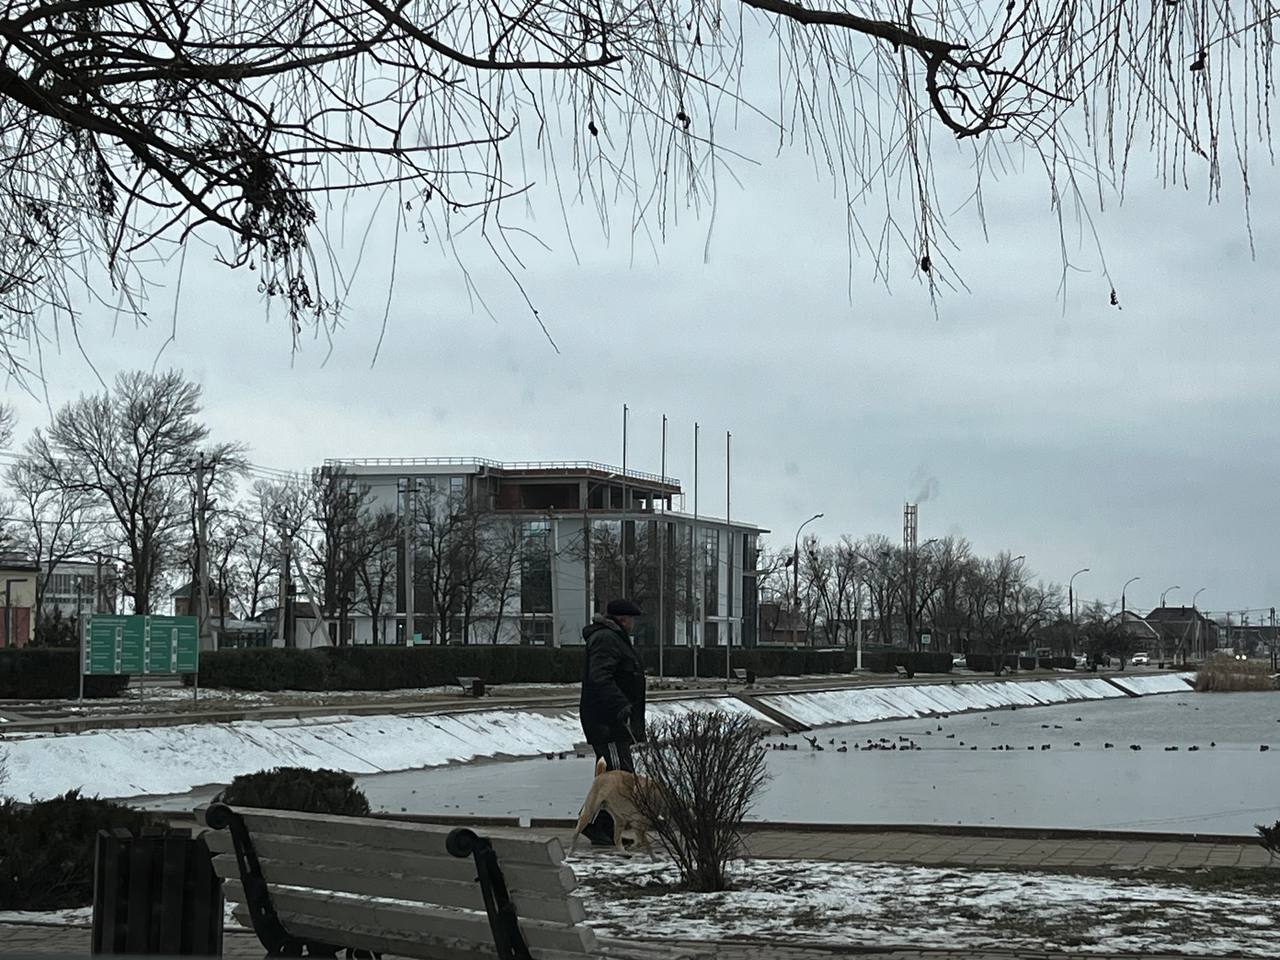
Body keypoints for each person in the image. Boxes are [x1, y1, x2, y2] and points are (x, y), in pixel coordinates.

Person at [578, 598, 647, 845]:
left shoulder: (614, 638)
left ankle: (604, 828)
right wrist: (621, 705)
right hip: (607, 721)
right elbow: (600, 677)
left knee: (617, 777)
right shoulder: (607, 639)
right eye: (632, 619)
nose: (633, 624)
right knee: (617, 777)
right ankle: (593, 823)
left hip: (614, 721)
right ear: (622, 619)